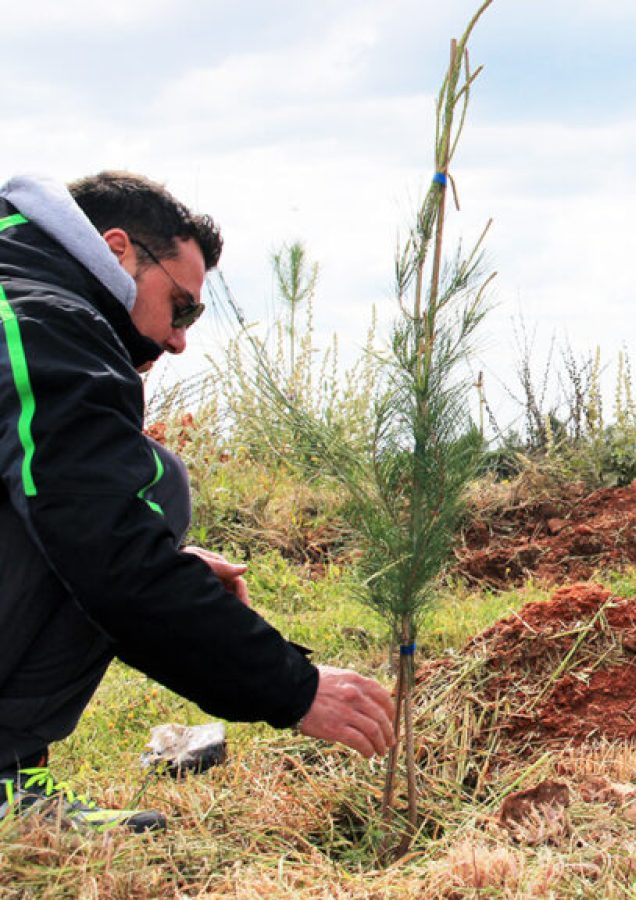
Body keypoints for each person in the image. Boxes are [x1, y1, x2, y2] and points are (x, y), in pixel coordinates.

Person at [0, 172, 395, 833]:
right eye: (180, 307)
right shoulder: (37, 322)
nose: (179, 339)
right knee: (157, 483)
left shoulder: (23, 294)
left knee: (139, 496)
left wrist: (161, 556)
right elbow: (107, 552)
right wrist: (294, 687)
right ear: (118, 250)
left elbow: (80, 516)